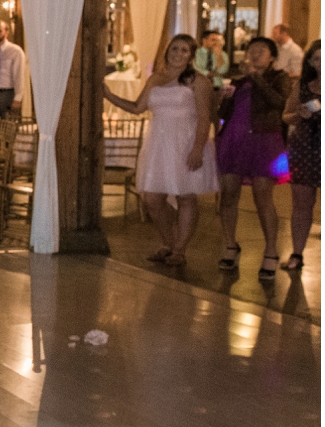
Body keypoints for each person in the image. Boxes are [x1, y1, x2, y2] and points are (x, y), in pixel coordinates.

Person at [103, 33, 217, 270]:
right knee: (152, 198)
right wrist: (109, 95)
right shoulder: (156, 78)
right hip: (158, 142)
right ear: (167, 52)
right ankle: (169, 242)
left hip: (186, 141)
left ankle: (179, 249)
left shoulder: (198, 81)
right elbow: (137, 108)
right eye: (174, 49)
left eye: (184, 50)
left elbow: (205, 117)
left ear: (191, 55)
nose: (178, 54)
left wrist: (198, 148)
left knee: (186, 196)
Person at [215, 35, 291, 278]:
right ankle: (230, 244)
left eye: (262, 50)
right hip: (234, 140)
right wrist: (224, 98)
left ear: (272, 57)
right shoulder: (239, 80)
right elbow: (224, 113)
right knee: (228, 196)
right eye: (252, 49)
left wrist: (256, 78)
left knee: (262, 197)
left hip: (263, 141)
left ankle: (270, 250)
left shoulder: (280, 78)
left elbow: (278, 103)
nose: (256, 53)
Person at [282, 39, 320, 274]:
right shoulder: (304, 86)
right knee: (302, 204)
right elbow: (286, 115)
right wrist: (299, 114)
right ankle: (297, 252)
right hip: (306, 147)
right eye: (316, 59)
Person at [0, 17, 28, 120]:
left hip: (7, 94)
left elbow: (19, 76)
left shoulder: (15, 51)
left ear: (6, 32)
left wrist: (18, 98)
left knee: (7, 128)